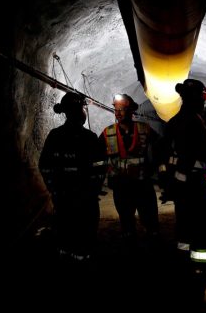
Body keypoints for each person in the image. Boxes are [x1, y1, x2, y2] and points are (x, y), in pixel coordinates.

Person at [158, 78, 206, 307]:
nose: (204, 102)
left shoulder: (173, 122)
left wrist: (171, 184)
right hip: (198, 189)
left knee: (185, 235)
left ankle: (185, 281)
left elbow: (163, 157)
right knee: (203, 237)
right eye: (202, 98)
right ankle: (203, 289)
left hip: (183, 190)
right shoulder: (195, 122)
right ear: (197, 97)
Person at [38, 92, 105, 265]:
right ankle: (79, 262)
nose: (83, 112)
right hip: (80, 199)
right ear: (75, 112)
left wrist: (54, 189)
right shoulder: (87, 137)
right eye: (81, 109)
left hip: (68, 198)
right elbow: (100, 167)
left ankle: (68, 262)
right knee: (80, 234)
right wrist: (93, 189)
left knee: (68, 233)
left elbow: (45, 166)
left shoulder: (57, 135)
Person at [99, 93, 160, 248]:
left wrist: (156, 168)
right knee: (127, 223)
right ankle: (131, 253)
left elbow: (161, 146)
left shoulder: (144, 129)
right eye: (116, 109)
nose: (118, 113)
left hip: (142, 185)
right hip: (121, 187)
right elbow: (96, 157)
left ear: (131, 110)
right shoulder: (107, 133)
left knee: (150, 221)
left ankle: (154, 250)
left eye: (122, 109)